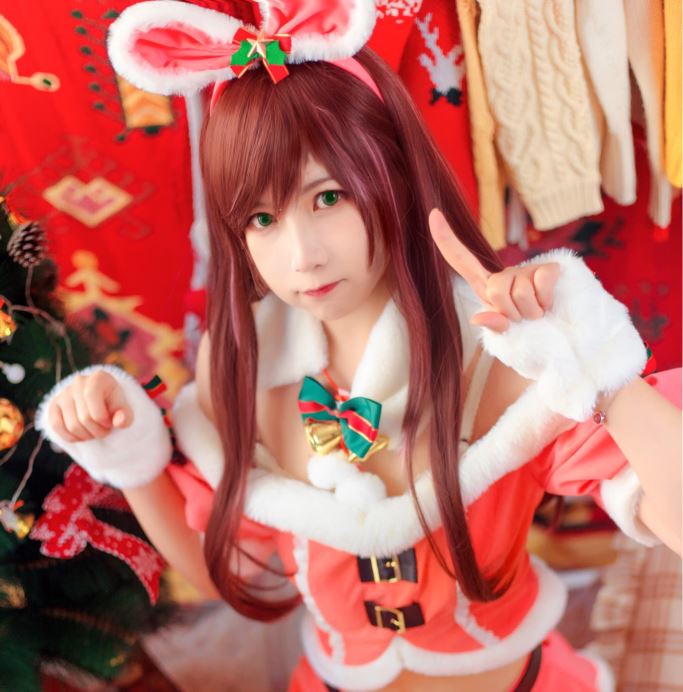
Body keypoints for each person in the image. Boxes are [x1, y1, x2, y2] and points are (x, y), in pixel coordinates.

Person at [36, 2, 681, 690]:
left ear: (393, 173)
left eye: (328, 197)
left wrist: (602, 366)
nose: (302, 256)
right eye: (260, 218)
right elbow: (231, 574)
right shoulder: (244, 368)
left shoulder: (499, 346)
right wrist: (129, 452)